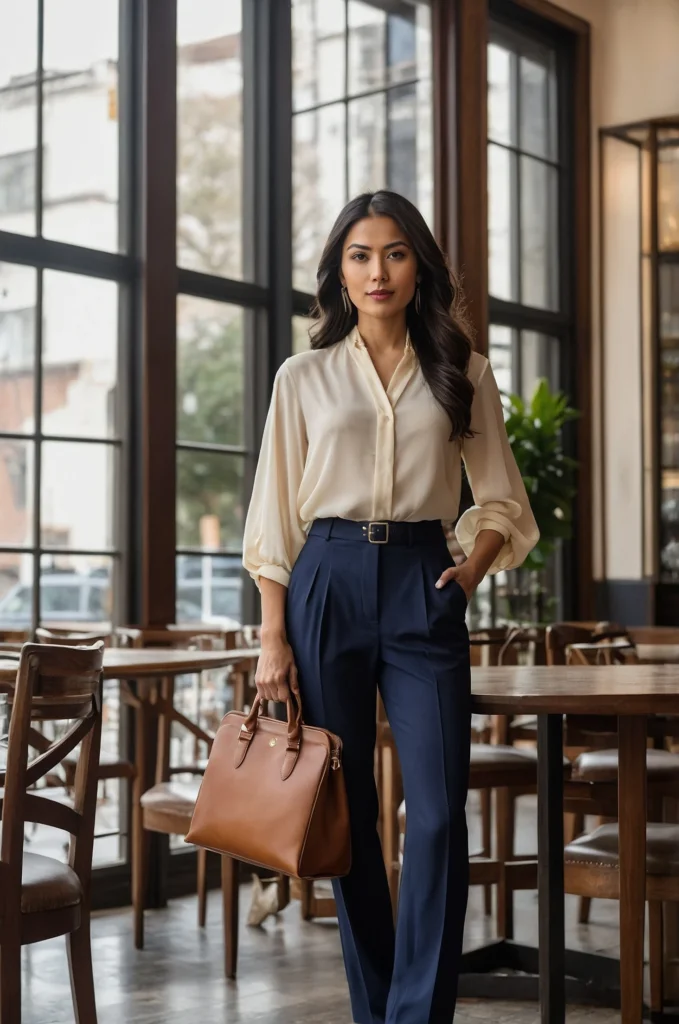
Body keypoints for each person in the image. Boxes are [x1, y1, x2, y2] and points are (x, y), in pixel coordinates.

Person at [242, 189, 539, 1024]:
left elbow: (502, 499)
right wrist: (273, 635)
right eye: (360, 256)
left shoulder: (462, 369)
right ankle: (378, 1008)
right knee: (346, 813)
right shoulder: (302, 376)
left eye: (396, 253)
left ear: (419, 266)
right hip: (326, 581)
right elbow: (272, 513)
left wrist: (469, 570)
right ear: (339, 272)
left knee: (439, 812)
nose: (378, 271)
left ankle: (417, 1014)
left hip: (422, 579)